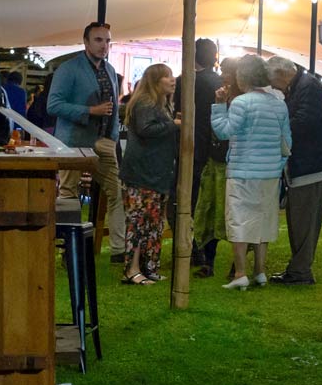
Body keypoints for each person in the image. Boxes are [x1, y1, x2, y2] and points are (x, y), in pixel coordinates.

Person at [210, 55, 291, 290]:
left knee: (239, 221)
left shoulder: (241, 103)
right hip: (269, 174)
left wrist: (218, 106)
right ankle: (260, 272)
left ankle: (240, 272)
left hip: (242, 171)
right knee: (264, 222)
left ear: (242, 76)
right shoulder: (279, 104)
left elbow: (224, 131)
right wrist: (277, 164)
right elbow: (286, 140)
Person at [49, 22, 126, 258]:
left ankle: (119, 250)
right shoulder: (68, 69)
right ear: (85, 42)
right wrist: (89, 111)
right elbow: (53, 105)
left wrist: (112, 137)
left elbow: (112, 106)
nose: (104, 46)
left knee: (117, 193)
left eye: (108, 40)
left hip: (103, 140)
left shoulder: (110, 70)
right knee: (69, 195)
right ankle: (68, 252)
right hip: (74, 142)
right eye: (99, 40)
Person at [269, 55, 322, 285]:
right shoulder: (301, 85)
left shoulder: (307, 87)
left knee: (303, 221)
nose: (272, 85)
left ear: (281, 74)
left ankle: (300, 271)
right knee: (300, 219)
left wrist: (275, 132)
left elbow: (303, 123)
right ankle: (298, 269)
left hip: (311, 165)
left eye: (272, 80)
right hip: (309, 164)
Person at [118, 64, 177, 285]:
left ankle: (149, 266)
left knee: (154, 223)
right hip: (141, 173)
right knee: (138, 221)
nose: (172, 80)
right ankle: (132, 269)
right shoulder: (145, 103)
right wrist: (174, 125)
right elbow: (145, 129)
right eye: (166, 77)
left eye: (172, 76)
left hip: (156, 172)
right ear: (154, 81)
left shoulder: (163, 105)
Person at [182, 39, 228, 277]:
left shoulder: (187, 83)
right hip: (218, 152)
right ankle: (206, 254)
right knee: (213, 206)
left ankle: (194, 250)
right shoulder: (221, 83)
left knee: (190, 204)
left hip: (193, 150)